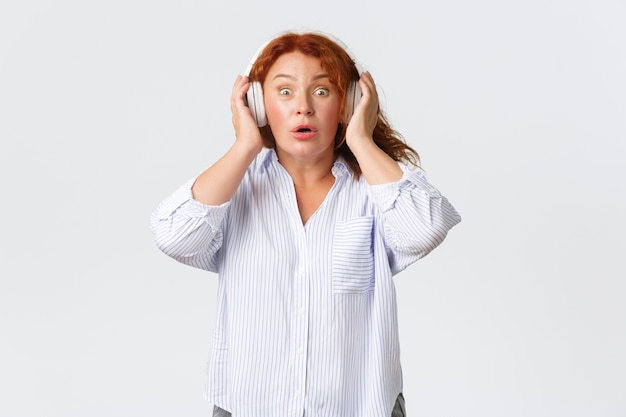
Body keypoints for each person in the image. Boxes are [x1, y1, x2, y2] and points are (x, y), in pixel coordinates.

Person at [151, 30, 461, 417]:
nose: (303, 108)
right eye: (284, 92)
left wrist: (361, 140)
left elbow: (425, 229)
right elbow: (173, 235)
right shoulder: (236, 188)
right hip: (249, 408)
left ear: (348, 103)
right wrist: (245, 145)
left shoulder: (375, 190)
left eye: (321, 91)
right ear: (259, 106)